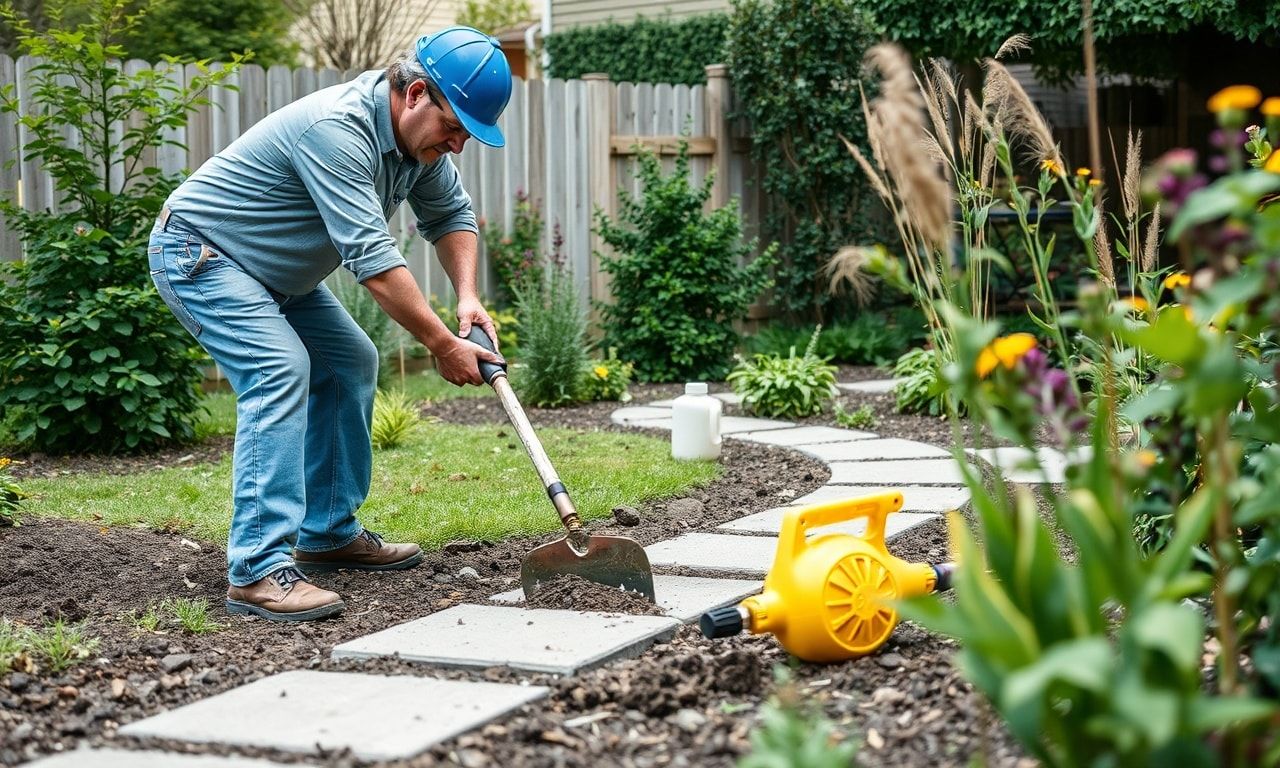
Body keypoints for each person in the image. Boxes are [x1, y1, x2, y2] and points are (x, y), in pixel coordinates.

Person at [147, 27, 511, 622]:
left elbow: (451, 215)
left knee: (349, 361)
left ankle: (328, 533)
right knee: (278, 368)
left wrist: (467, 300)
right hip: (203, 254)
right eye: (454, 129)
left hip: (272, 274)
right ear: (416, 93)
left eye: (467, 135)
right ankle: (258, 571)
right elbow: (373, 263)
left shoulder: (417, 147)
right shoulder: (337, 131)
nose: (457, 146)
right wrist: (442, 344)